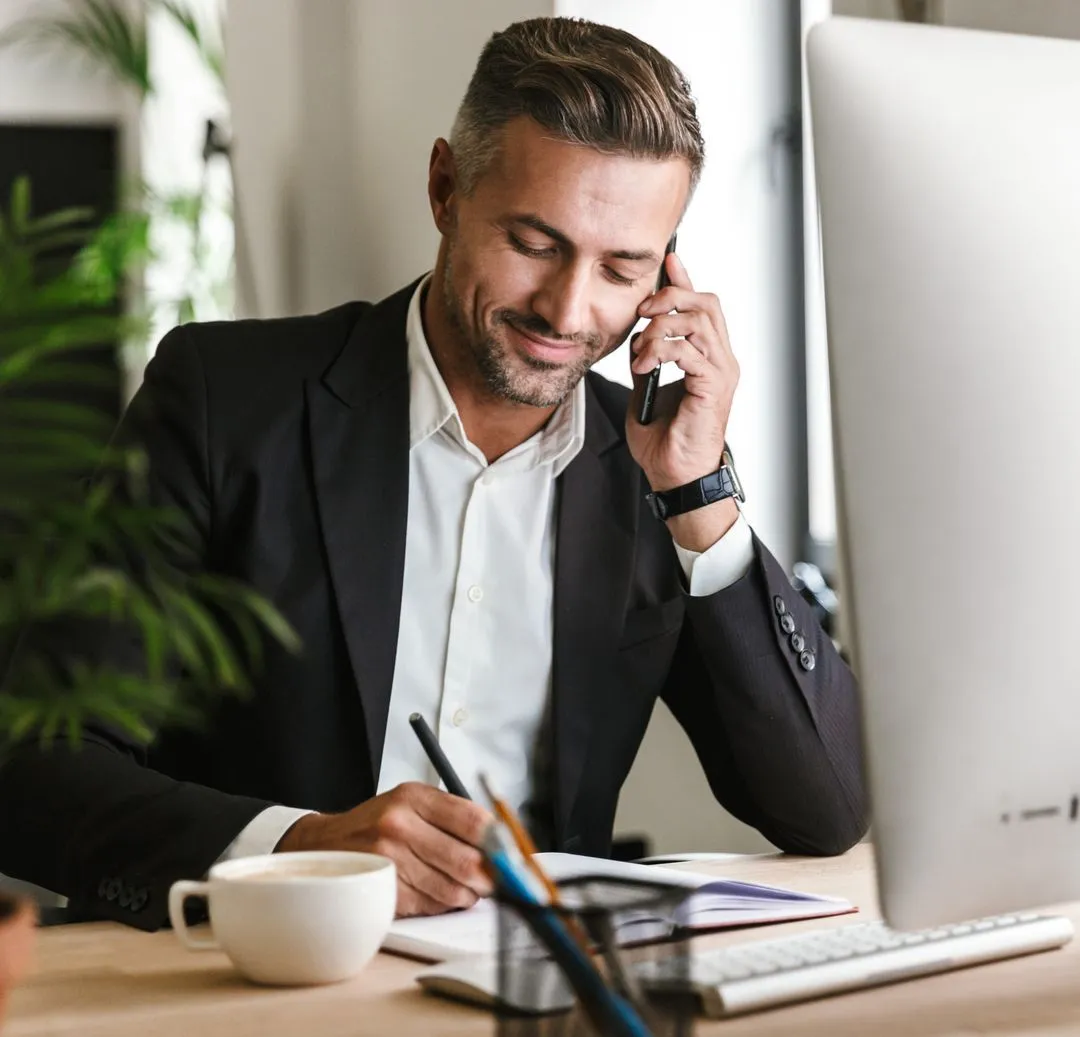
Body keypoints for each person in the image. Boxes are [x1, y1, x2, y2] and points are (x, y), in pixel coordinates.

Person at [0, 17, 866, 931]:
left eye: (622, 267)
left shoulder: (649, 470)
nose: (569, 310)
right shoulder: (224, 400)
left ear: (667, 273)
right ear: (446, 187)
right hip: (252, 977)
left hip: (531, 987)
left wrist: (700, 499)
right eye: (535, 242)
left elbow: (825, 807)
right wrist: (303, 849)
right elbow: (34, 766)